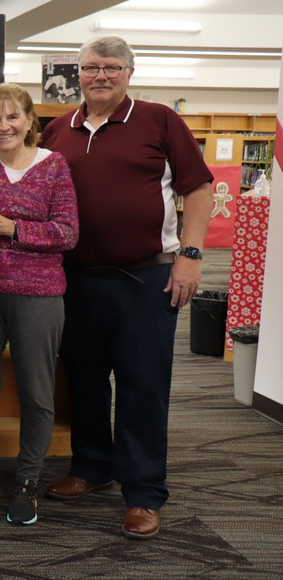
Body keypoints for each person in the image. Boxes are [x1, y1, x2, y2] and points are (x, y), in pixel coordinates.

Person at [40, 35, 213, 539]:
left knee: (143, 384)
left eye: (112, 67)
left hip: (146, 276)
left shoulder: (159, 120)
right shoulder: (57, 130)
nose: (101, 76)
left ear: (129, 73)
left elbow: (198, 189)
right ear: (77, 73)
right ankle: (92, 466)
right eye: (91, 67)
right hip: (74, 279)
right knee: (84, 379)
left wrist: (190, 256)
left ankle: (143, 492)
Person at [0, 83, 78, 525]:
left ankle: (27, 481)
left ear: (29, 122)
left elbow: (68, 233)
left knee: (36, 392)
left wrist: (14, 229)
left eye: (12, 117)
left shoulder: (53, 165)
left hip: (39, 294)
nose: (3, 126)